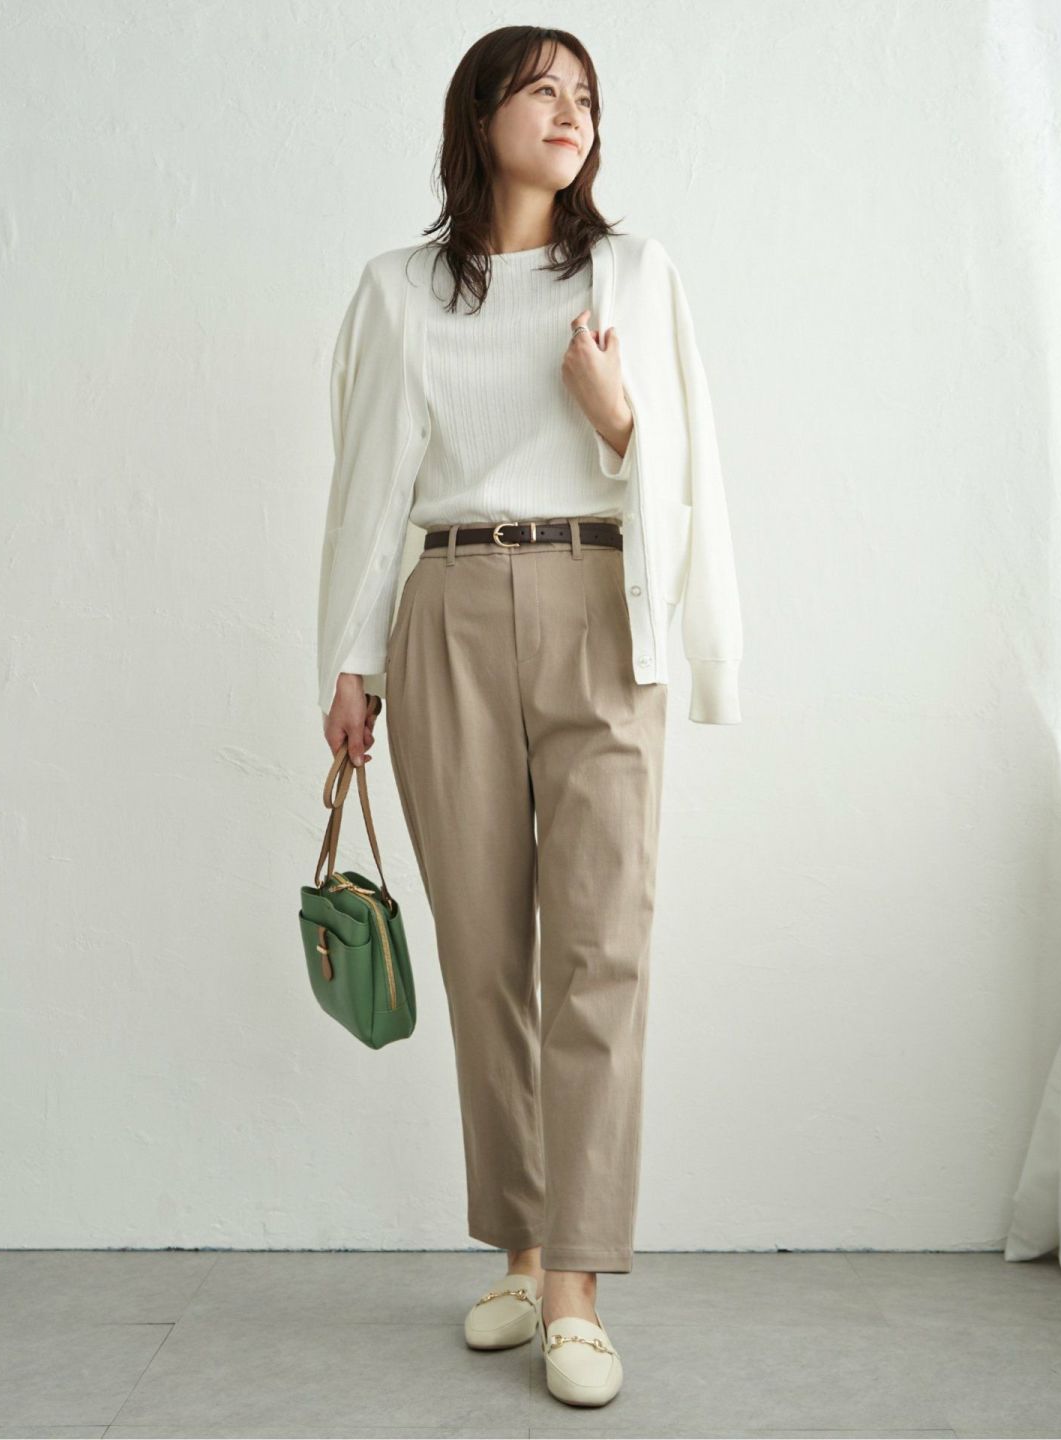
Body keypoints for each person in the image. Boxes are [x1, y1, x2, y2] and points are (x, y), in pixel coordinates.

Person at [319, 25, 743, 1408]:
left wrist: (617, 418)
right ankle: (519, 1249)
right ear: (479, 114)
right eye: (541, 88)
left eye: (586, 96)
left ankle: (578, 1286)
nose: (570, 112)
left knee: (602, 949)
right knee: (485, 954)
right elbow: (371, 488)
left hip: (599, 605)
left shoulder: (632, 272)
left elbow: (685, 462)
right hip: (446, 610)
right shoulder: (398, 290)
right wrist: (351, 666)